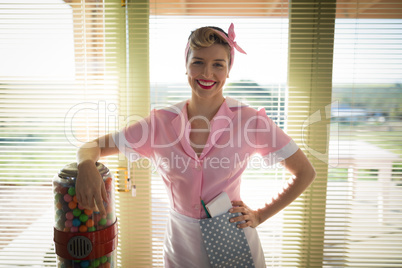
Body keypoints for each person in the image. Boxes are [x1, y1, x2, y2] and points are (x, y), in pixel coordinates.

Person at [76, 23, 316, 267]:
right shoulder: (158, 124)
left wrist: (260, 215)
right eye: (198, 62)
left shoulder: (252, 121)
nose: (207, 73)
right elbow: (91, 146)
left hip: (233, 238)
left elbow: (305, 172)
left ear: (228, 70)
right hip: (181, 244)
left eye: (218, 64)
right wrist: (86, 164)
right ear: (186, 66)